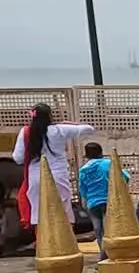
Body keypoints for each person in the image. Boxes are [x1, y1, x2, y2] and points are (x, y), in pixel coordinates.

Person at [13, 103, 94, 231]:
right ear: (50, 116)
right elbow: (89, 129)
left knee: (37, 212)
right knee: (64, 209)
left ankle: (43, 245)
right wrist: (72, 124)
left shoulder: (25, 132)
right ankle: (67, 242)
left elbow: (18, 158)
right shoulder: (59, 129)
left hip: (35, 177)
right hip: (58, 175)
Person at [77, 142, 129, 259]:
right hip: (109, 202)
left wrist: (87, 201)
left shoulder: (83, 170)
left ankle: (103, 257)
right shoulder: (108, 164)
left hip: (93, 204)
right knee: (111, 230)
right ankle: (113, 255)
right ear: (101, 153)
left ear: (86, 155)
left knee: (99, 231)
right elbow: (124, 177)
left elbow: (82, 190)